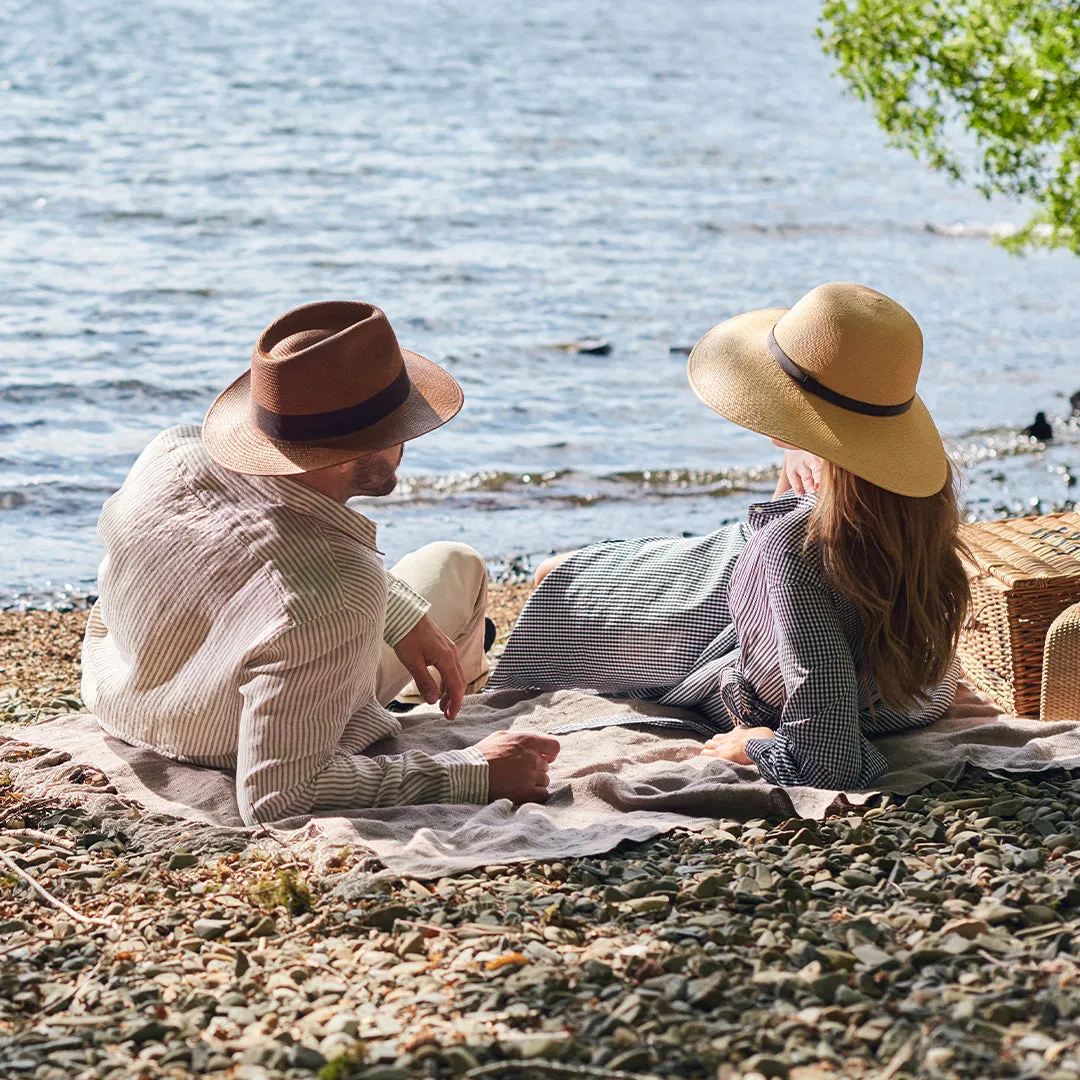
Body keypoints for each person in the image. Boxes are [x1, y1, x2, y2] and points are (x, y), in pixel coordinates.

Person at [81, 301, 558, 825]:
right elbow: (275, 798)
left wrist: (397, 610)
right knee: (456, 562)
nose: (409, 442)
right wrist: (472, 771)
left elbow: (248, 555)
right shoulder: (335, 595)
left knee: (431, 579)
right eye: (403, 428)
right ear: (360, 453)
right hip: (228, 737)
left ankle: (446, 675)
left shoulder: (170, 454)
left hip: (126, 694)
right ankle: (451, 692)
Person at [487, 282, 970, 790]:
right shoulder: (914, 503)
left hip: (744, 638)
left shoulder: (795, 551)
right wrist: (814, 449)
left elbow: (831, 759)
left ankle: (479, 657)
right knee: (561, 574)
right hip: (886, 681)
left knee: (555, 579)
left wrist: (756, 745)